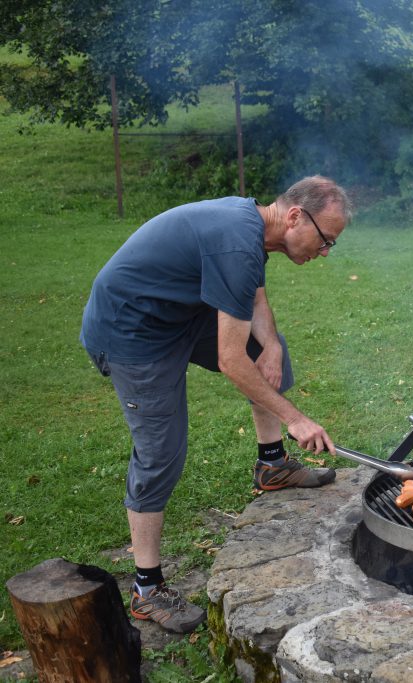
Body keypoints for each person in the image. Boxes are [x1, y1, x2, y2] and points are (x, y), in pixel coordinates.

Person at [80, 176, 351, 633]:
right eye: (326, 240)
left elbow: (254, 296)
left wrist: (271, 345)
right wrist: (296, 418)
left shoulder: (254, 228)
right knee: (161, 451)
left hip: (177, 315)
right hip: (132, 332)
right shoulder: (237, 242)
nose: (325, 252)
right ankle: (147, 588)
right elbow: (231, 361)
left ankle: (272, 465)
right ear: (294, 217)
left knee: (266, 352)